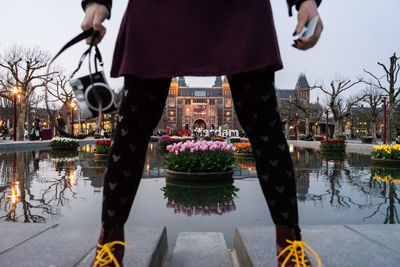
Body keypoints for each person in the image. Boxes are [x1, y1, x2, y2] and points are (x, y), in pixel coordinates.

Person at [80, 0, 323, 266]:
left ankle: (289, 248)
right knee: (131, 131)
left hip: (239, 10)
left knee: (266, 127)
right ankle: (109, 247)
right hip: (158, 10)